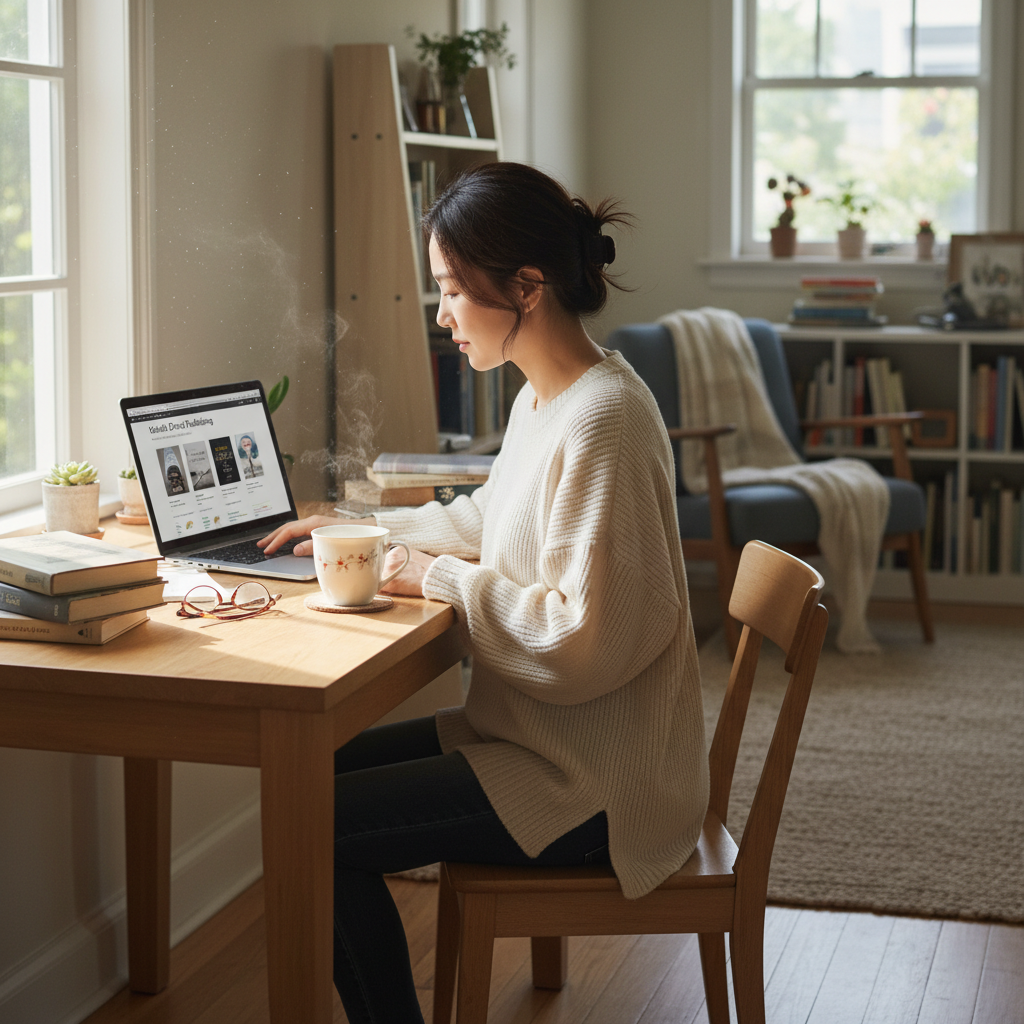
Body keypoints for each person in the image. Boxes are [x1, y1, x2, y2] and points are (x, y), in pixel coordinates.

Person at [259, 162, 708, 1024]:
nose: (442, 316)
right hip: (548, 741)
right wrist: (360, 530)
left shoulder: (602, 421)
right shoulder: (553, 396)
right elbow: (490, 521)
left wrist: (433, 579)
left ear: (527, 287)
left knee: (310, 825)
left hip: (596, 786)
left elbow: (583, 643)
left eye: (453, 292)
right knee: (308, 778)